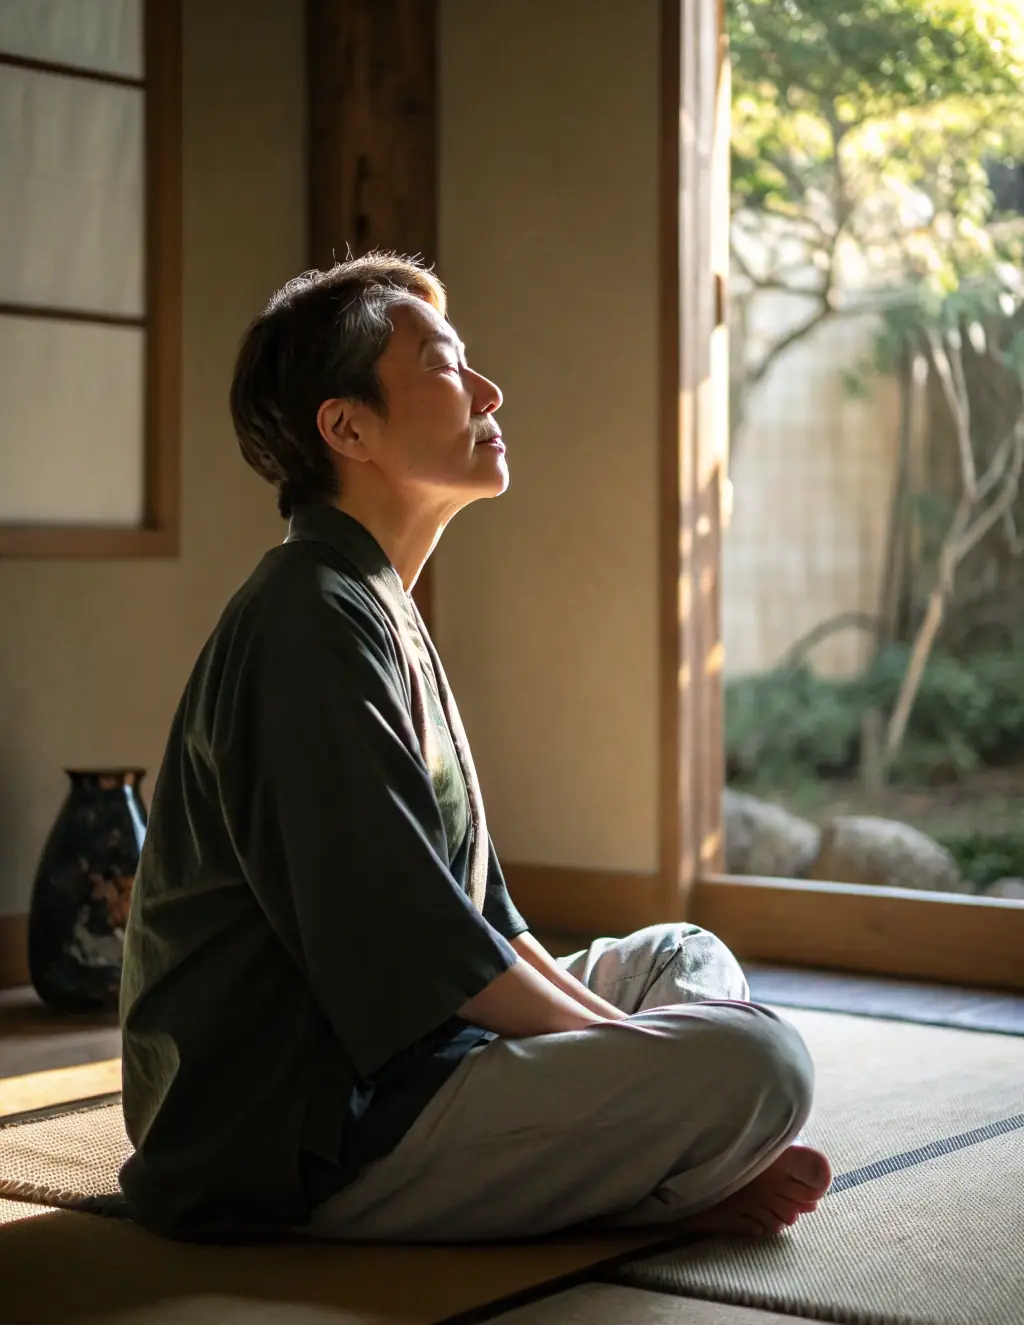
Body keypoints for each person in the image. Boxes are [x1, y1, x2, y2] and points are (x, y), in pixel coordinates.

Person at [118, 251, 831, 1243]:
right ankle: (670, 1180)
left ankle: (663, 1164)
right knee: (761, 1064)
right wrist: (643, 1059)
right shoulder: (304, 619)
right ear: (347, 425)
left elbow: (488, 926)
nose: (489, 391)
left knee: (683, 952)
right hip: (302, 1132)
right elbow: (412, 951)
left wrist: (630, 1050)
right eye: (445, 365)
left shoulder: (370, 605)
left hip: (423, 1063)